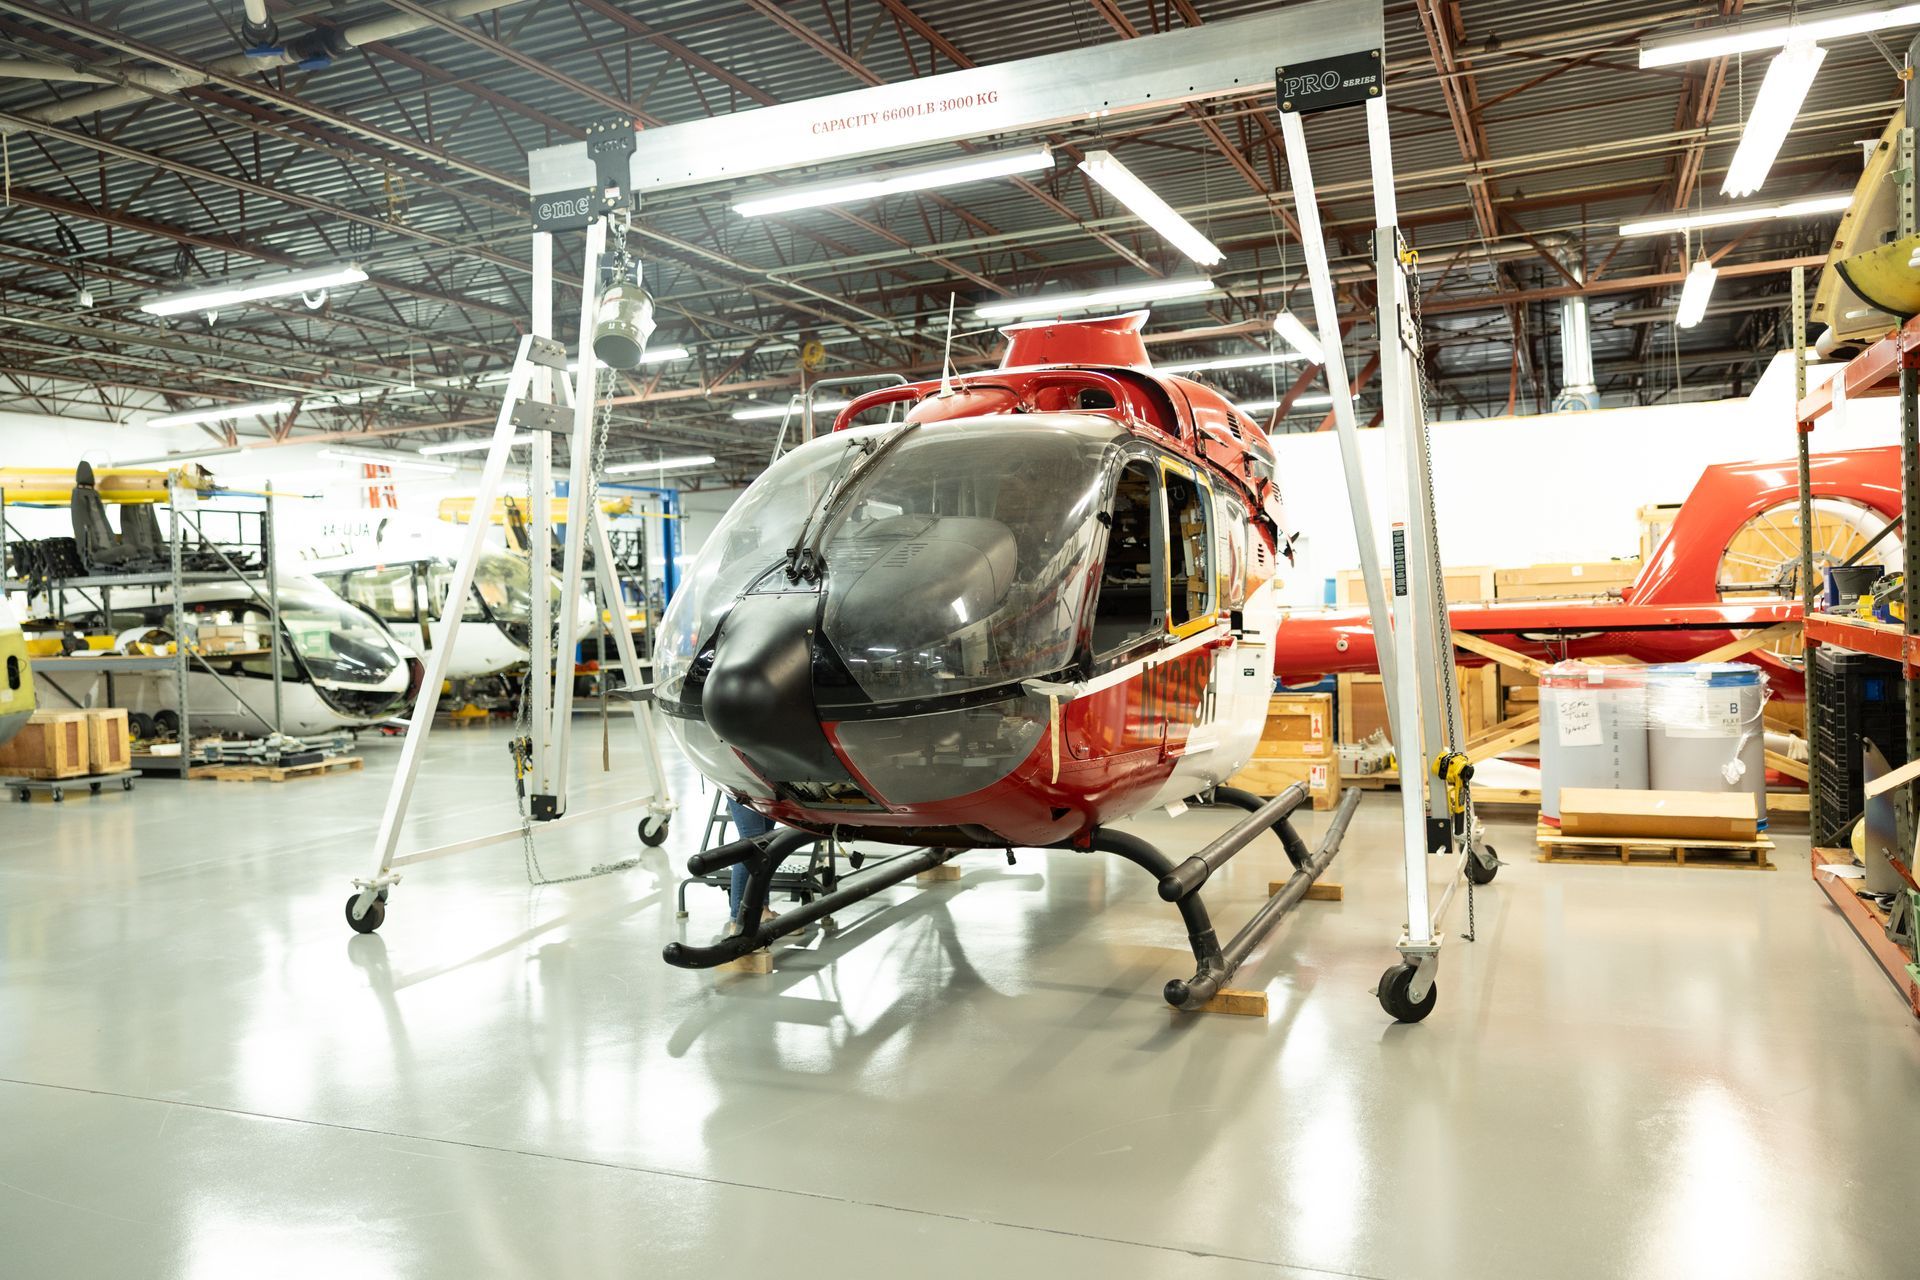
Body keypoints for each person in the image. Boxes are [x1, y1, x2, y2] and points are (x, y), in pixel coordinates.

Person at [724, 796, 776, 937]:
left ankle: (762, 910)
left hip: (766, 779)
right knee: (752, 841)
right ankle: (738, 921)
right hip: (740, 780)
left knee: (766, 840)